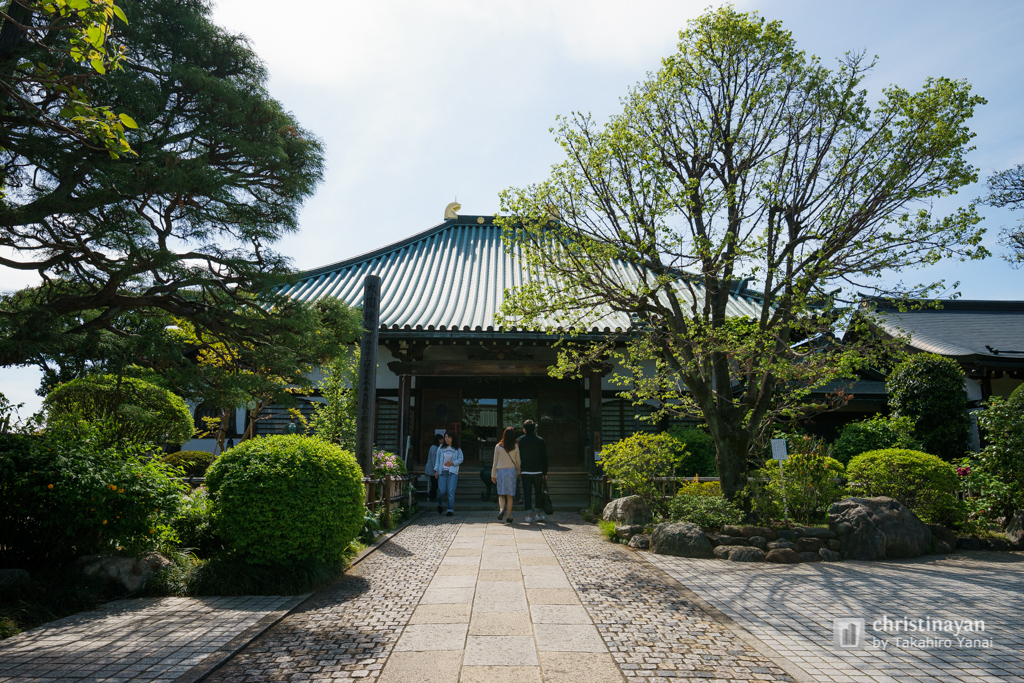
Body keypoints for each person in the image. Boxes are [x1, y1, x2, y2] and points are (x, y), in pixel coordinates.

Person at [517, 419, 549, 523]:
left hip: (525, 470)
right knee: (538, 492)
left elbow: (517, 457)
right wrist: (545, 472)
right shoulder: (540, 440)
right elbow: (544, 457)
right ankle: (538, 514)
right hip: (538, 470)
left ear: (524, 429)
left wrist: (518, 469)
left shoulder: (519, 441)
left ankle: (528, 515)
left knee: (527, 493)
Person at [491, 426, 521, 524]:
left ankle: (501, 510)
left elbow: (495, 462)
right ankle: (508, 517)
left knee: (501, 494)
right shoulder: (515, 447)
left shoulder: (498, 446)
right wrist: (518, 472)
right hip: (511, 471)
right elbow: (518, 461)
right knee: (510, 496)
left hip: (501, 471)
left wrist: (493, 474)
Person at [433, 430, 463, 516]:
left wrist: (453, 463)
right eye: (445, 437)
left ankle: (450, 509)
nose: (446, 439)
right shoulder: (440, 448)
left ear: (452, 438)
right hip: (442, 471)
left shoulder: (457, 449)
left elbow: (461, 459)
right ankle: (440, 504)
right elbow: (437, 460)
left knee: (450, 491)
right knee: (441, 491)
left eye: (448, 437)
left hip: (452, 472)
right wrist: (436, 471)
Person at [424, 433, 442, 502]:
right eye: (441, 439)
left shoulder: (434, 447)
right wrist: (436, 469)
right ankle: (431, 495)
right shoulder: (434, 448)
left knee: (435, 483)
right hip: (432, 468)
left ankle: (432, 495)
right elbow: (434, 459)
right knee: (435, 483)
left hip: (432, 467)